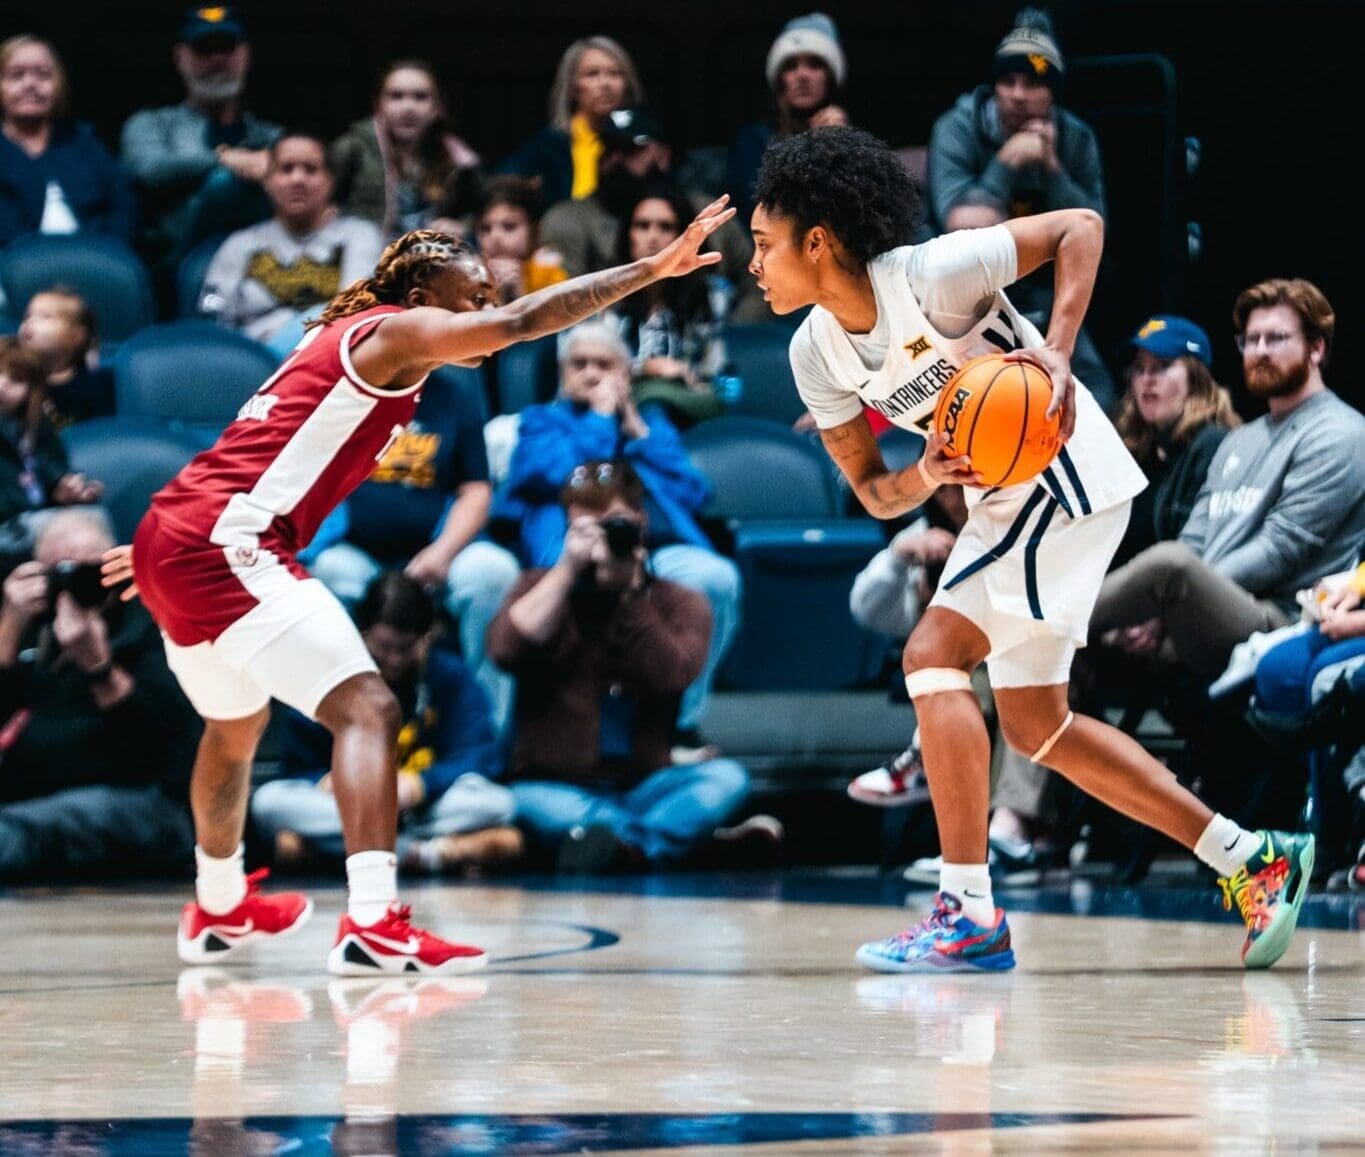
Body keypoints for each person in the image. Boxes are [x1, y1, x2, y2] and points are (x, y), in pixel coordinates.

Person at [99, 195, 736, 976]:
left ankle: (217, 906)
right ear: (424, 297)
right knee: (368, 707)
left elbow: (250, 449)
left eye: (486, 296)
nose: (485, 309)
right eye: (471, 296)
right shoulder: (393, 331)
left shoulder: (340, 344)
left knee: (234, 730)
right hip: (224, 542)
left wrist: (168, 543)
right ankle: (372, 923)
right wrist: (648, 271)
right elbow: (521, 325)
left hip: (185, 531)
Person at [747, 125, 1314, 973]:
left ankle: (966, 910)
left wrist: (1053, 346)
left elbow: (1078, 226)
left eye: (762, 245)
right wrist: (924, 471)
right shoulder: (812, 354)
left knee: (931, 654)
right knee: (1038, 725)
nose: (751, 264)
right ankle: (1252, 857)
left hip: (1061, 472)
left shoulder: (930, 276)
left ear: (817, 242)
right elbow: (871, 489)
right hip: (997, 498)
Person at [486, 459, 755, 871]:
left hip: (646, 784)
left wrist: (632, 597)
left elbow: (673, 677)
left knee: (727, 780)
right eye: (585, 528)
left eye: (613, 525)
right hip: (556, 786)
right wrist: (567, 569)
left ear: (641, 522)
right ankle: (681, 846)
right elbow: (505, 650)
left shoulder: (679, 601)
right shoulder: (535, 586)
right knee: (522, 803)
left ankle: (623, 847)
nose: (600, 541)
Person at [1092, 280, 1365, 679]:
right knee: (1061, 663)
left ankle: (1039, 623)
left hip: (1282, 617)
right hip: (1203, 612)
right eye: (1251, 340)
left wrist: (1165, 605)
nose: (1260, 351)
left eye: (1276, 338)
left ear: (1316, 349)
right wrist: (1158, 607)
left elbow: (1279, 550)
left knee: (1171, 564)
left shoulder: (1339, 432)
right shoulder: (1239, 440)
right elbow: (1196, 538)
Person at [493, 322, 741, 752]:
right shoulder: (541, 423)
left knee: (717, 577)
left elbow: (694, 493)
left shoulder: (650, 425)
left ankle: (679, 726)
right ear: (561, 373)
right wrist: (601, 420)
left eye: (604, 365)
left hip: (656, 549)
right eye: (579, 365)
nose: (590, 374)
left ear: (626, 374)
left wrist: (637, 432)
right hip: (572, 545)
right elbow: (564, 478)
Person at [251, 572, 520, 875]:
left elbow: (479, 756)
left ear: (427, 638)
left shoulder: (449, 676)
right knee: (267, 803)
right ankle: (421, 854)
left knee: (499, 803)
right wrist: (328, 781)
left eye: (405, 649)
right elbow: (298, 765)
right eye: (384, 647)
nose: (393, 660)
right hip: (349, 805)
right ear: (362, 634)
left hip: (420, 806)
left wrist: (420, 785)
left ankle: (354, 849)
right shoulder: (333, 675)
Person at [925, 8, 1115, 411]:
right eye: (1007, 81)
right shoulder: (958, 127)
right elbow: (958, 221)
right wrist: (1008, 161)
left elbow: (1094, 226)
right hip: (970, 292)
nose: (1017, 94)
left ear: (1053, 94)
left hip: (1045, 287)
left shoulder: (1075, 138)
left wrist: (1052, 168)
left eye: (1032, 83)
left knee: (1099, 390)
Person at [0, 510, 199, 882]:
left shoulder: (153, 624)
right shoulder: (33, 624)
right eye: (60, 572)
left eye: (91, 571)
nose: (78, 585)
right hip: (36, 801)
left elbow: (154, 754)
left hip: (144, 805)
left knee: (17, 831)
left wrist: (99, 667)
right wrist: (8, 632)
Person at [539, 108, 764, 323]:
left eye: (630, 149)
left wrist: (730, 336)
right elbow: (564, 303)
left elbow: (756, 279)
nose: (616, 159)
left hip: (704, 337)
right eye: (609, 148)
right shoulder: (567, 219)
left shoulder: (710, 213)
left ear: (663, 155)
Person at [119, 6, 281, 265]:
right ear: (180, 57)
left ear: (245, 55)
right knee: (224, 182)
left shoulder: (273, 137)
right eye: (204, 48)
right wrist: (227, 159)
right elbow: (148, 170)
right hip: (180, 267)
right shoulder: (152, 125)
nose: (217, 59)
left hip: (270, 262)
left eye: (226, 48)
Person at [199, 134, 384, 348]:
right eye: (286, 169)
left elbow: (356, 311)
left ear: (330, 182)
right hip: (257, 363)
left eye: (311, 169)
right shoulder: (240, 244)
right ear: (267, 181)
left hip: (332, 356)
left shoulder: (359, 235)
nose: (298, 179)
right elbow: (213, 319)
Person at [1109, 314, 1238, 568]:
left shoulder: (1212, 445)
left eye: (1162, 365)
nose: (1146, 378)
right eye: (1139, 368)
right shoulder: (1136, 450)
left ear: (1196, 378)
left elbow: (1196, 558)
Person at [0, 35, 135, 247]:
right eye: (16, 76)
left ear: (59, 84)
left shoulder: (86, 144)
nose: (30, 84)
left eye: (43, 75)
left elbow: (123, 207)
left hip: (95, 264)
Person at [609, 186, 725, 427]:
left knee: (656, 405)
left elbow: (714, 376)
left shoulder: (710, 296)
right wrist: (646, 368)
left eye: (665, 227)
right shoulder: (605, 294)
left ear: (684, 236)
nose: (653, 236)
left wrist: (680, 372)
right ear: (628, 234)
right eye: (642, 226)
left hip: (686, 401)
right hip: (617, 401)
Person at [330, 60, 482, 241]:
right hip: (368, 260)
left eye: (420, 97)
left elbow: (485, 209)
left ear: (437, 107)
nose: (408, 108)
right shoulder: (353, 149)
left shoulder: (457, 158)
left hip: (428, 260)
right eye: (396, 96)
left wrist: (462, 226)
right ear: (378, 105)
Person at [727, 13, 850, 225]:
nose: (802, 75)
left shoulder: (853, 138)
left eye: (814, 64)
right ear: (779, 79)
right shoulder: (754, 139)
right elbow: (757, 211)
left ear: (829, 76)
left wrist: (841, 147)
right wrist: (814, 150)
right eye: (791, 66)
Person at [497, 36, 643, 207]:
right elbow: (499, 184)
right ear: (572, 88)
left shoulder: (643, 143)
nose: (605, 83)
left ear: (627, 84)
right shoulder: (549, 145)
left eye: (615, 73)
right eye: (592, 74)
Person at [0, 338, 103, 568]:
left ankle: (95, 601)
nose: (2, 385)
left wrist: (67, 488)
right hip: (9, 524)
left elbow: (53, 468)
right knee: (82, 532)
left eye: (15, 379)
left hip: (31, 521)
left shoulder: (37, 427)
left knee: (95, 517)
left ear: (32, 390)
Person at [16, 286, 114, 427]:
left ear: (76, 336)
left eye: (45, 317)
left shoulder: (93, 388)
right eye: (27, 316)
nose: (30, 322)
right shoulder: (12, 378)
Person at [471, 175, 567, 304]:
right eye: (485, 228)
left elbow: (562, 320)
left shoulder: (547, 273)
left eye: (509, 226)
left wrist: (519, 294)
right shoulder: (470, 277)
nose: (495, 237)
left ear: (535, 230)